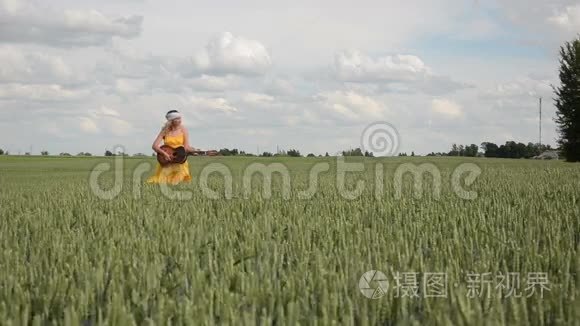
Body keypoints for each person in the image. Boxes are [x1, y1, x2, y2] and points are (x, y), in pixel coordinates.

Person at [147, 110, 195, 184]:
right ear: (171, 121)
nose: (180, 120)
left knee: (176, 182)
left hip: (179, 161)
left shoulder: (183, 130)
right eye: (177, 119)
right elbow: (154, 146)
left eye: (180, 118)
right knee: (160, 182)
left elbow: (186, 147)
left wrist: (194, 151)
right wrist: (164, 154)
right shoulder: (165, 130)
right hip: (167, 161)